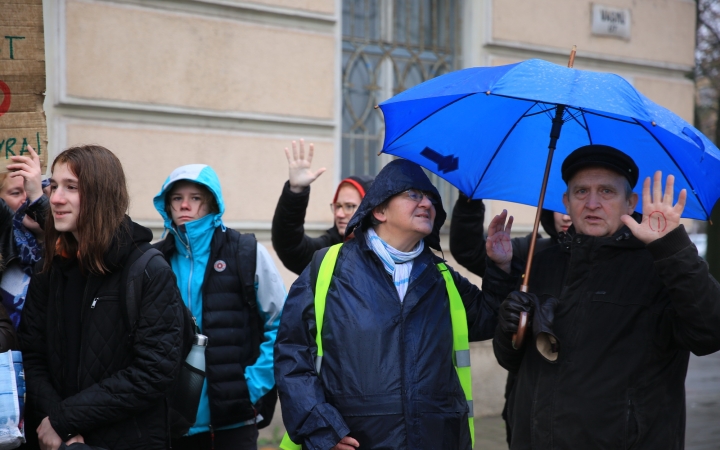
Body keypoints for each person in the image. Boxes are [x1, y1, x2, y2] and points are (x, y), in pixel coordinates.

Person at [275, 158, 518, 450]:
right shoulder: (327, 266)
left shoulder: (440, 277)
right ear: (379, 210)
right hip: (354, 442)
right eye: (413, 195)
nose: (427, 203)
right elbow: (292, 355)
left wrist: (500, 268)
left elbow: (489, 317)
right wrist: (322, 429)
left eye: (430, 197)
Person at [493, 144, 720, 449]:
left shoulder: (661, 266)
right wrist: (509, 329)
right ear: (566, 202)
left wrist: (672, 247)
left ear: (631, 203)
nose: (592, 203)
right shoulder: (542, 261)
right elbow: (514, 360)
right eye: (581, 192)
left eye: (607, 192)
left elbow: (709, 333)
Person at [18, 145, 185, 450]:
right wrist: (58, 427)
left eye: (71, 187)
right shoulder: (52, 266)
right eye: (54, 186)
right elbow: (32, 355)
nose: (55, 198)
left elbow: (152, 372)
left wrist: (64, 420)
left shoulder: (147, 269)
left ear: (101, 195)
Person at [153, 164, 286, 450]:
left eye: (195, 197)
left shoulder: (245, 252)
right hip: (170, 423)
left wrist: (251, 385)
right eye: (177, 198)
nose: (185, 205)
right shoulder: (154, 260)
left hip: (233, 420)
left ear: (212, 202)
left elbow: (283, 324)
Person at [449, 193, 572, 447]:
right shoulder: (533, 251)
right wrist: (470, 200)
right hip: (527, 399)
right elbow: (470, 250)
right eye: (561, 205)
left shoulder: (620, 265)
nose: (567, 214)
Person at [272, 139, 373, 274]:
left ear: (370, 209)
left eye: (349, 206)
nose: (339, 214)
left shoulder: (390, 251)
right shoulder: (327, 250)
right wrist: (295, 191)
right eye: (337, 206)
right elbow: (290, 246)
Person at [450, 193, 571, 278]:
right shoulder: (530, 251)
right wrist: (469, 204)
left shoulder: (590, 259)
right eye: (559, 208)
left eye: (571, 207)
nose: (565, 217)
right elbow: (471, 252)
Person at [0, 145, 48, 332]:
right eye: (16, 193)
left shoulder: (65, 247)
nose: (27, 200)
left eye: (34, 190)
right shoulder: (6, 246)